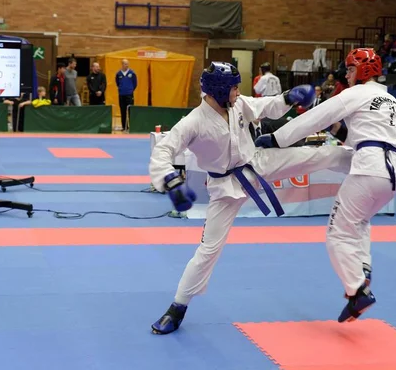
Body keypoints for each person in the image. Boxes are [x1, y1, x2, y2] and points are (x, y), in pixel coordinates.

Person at [149, 62, 354, 335]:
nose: (238, 91)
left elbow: (266, 106)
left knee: (315, 155)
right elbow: (163, 151)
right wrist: (172, 182)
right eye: (234, 87)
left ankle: (366, 161)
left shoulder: (238, 105)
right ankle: (177, 307)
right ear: (220, 90)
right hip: (224, 187)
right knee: (208, 251)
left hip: (256, 164)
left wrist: (287, 97)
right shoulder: (194, 122)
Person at [255, 48, 396, 323]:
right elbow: (363, 135)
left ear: (362, 70)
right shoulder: (391, 100)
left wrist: (277, 138)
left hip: (370, 166)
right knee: (359, 220)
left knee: (337, 233)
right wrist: (336, 131)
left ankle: (357, 290)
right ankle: (362, 268)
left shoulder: (356, 93)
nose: (347, 75)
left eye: (350, 70)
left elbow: (317, 117)